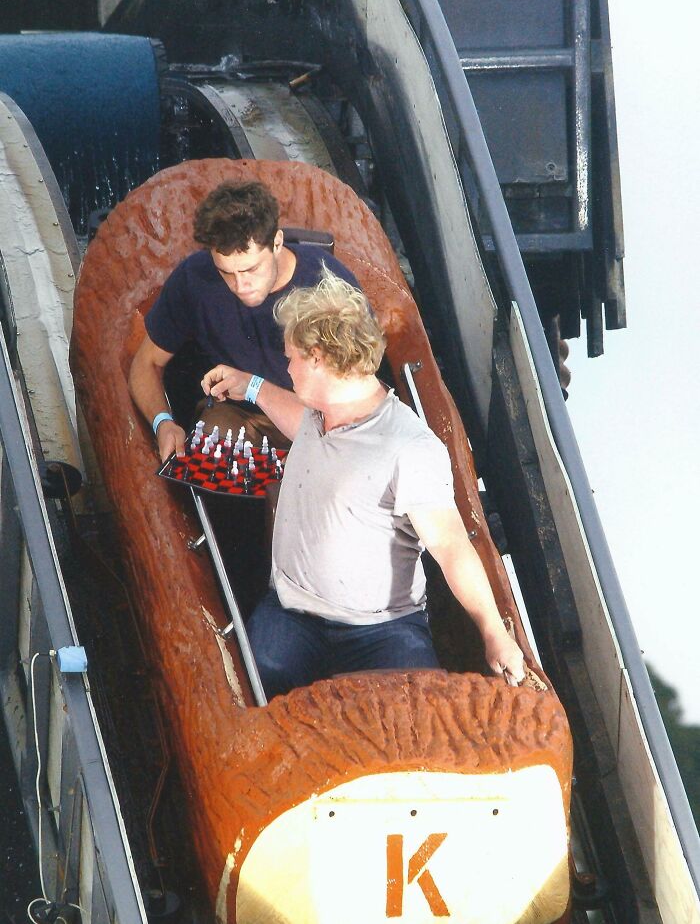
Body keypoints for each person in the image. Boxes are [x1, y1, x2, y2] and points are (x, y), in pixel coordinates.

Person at [202, 269, 526, 699]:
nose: (287, 367)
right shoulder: (318, 412)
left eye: (291, 358)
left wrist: (492, 631)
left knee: (414, 720)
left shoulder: (407, 447)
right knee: (249, 692)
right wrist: (252, 385)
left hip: (382, 633)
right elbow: (297, 417)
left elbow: (450, 547)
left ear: (317, 357)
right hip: (291, 615)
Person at [128, 180, 359, 461]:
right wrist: (162, 422)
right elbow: (146, 362)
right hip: (240, 417)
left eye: (251, 268)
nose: (240, 285)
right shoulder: (194, 279)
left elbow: (354, 405)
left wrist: (255, 387)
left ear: (277, 243)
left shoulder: (328, 285)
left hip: (318, 420)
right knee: (209, 447)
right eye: (226, 272)